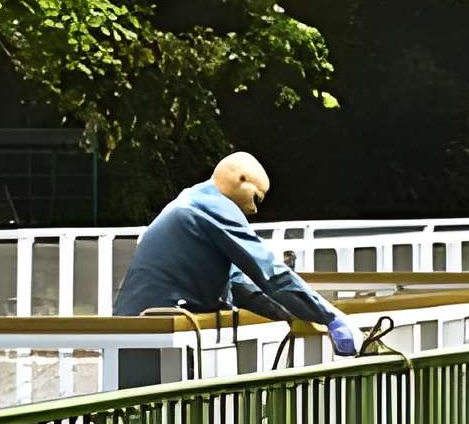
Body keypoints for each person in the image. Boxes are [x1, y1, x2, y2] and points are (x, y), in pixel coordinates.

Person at [113, 153, 361, 383]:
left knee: (146, 419)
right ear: (242, 179)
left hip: (135, 330)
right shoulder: (213, 206)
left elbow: (241, 285)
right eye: (256, 198)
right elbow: (270, 273)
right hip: (157, 329)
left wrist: (297, 314)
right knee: (164, 417)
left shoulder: (193, 201)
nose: (254, 210)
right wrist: (331, 317)